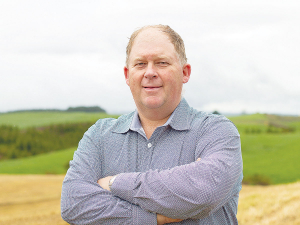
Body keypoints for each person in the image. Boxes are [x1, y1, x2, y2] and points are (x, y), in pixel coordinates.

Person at [61, 24, 243, 225]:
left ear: (185, 72)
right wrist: (154, 218)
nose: (150, 72)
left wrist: (115, 183)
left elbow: (203, 192)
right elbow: (73, 203)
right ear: (127, 75)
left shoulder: (217, 131)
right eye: (140, 64)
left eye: (161, 62)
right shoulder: (100, 136)